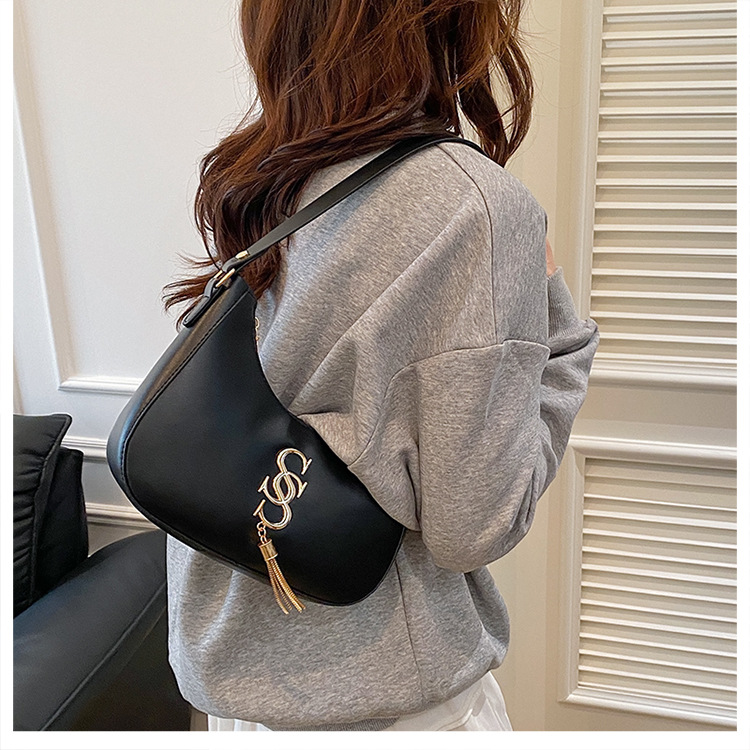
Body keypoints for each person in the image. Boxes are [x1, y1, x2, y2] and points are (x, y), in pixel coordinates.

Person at [161, 0, 599, 732]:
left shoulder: (256, 174)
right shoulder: (471, 205)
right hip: (389, 703)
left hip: (234, 688)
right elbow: (475, 527)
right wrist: (564, 348)